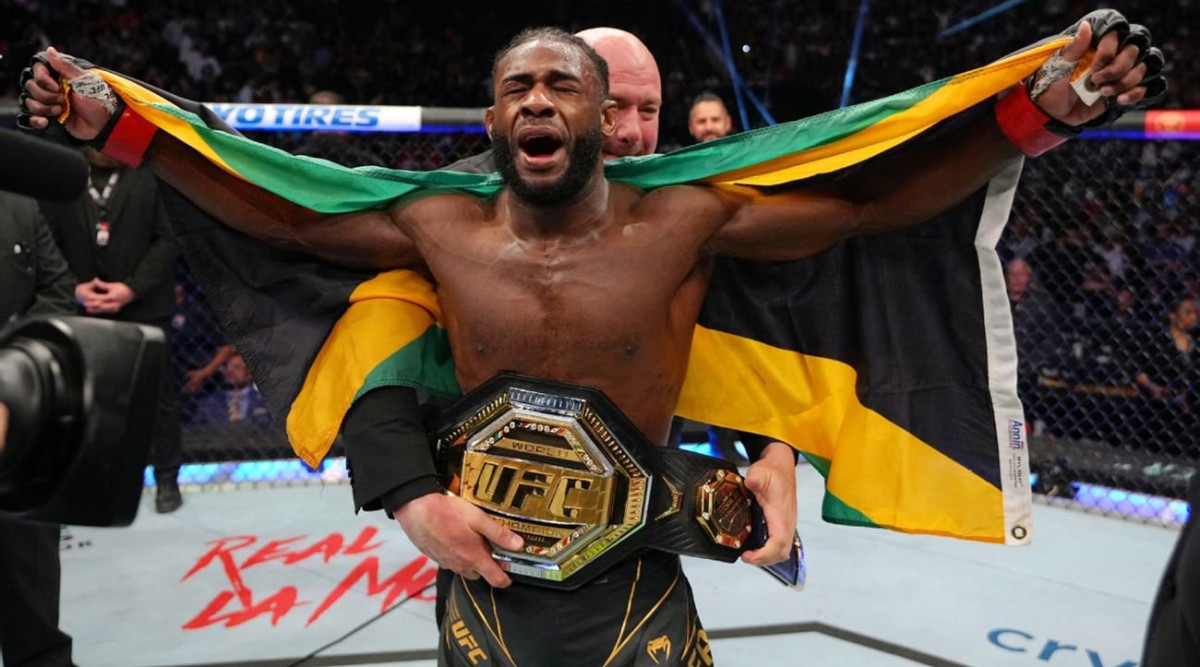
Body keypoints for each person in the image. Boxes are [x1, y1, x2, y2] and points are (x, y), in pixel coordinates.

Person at [23, 16, 1155, 665]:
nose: (537, 100)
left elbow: (869, 204)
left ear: (601, 112)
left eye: (561, 82)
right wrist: (124, 130)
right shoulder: (438, 228)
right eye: (517, 85)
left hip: (639, 579)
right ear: (496, 115)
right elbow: (284, 209)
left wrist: (1033, 115)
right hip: (485, 576)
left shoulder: (685, 221)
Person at [38, 148, 184, 513]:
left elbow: (170, 238)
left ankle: (167, 479)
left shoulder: (152, 173)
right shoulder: (65, 174)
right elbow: (46, 239)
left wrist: (131, 288)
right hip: (83, 307)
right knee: (88, 399)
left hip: (145, 306)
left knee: (158, 398)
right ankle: (93, 481)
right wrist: (73, 286)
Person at [0, 190, 78, 666]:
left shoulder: (21, 206)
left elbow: (58, 290)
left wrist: (8, 369)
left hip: (15, 421)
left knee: (29, 585)